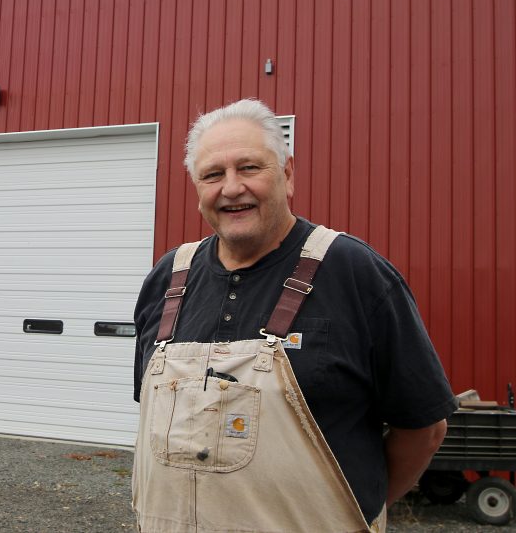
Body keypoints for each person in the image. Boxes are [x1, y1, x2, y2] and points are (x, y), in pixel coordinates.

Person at [131, 99, 456, 532]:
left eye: (249, 168)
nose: (230, 188)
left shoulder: (355, 273)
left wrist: (351, 514)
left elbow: (423, 430)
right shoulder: (168, 279)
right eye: (213, 174)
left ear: (287, 174)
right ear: (196, 188)